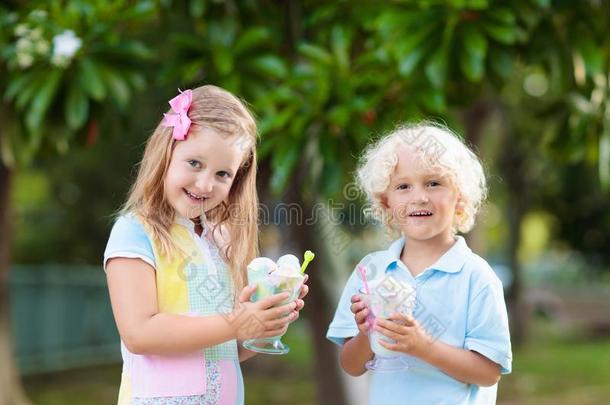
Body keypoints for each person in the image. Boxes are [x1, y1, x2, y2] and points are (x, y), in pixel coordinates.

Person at [104, 85, 307, 404]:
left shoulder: (222, 239)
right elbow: (139, 333)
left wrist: (261, 323)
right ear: (166, 153)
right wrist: (236, 321)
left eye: (223, 173)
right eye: (194, 163)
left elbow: (225, 347)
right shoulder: (135, 232)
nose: (205, 184)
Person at [327, 122, 512, 404]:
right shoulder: (371, 271)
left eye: (434, 183)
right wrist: (368, 332)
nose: (419, 197)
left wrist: (422, 346)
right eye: (403, 186)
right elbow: (351, 365)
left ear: (459, 197)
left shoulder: (477, 276)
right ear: (385, 202)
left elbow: (489, 372)